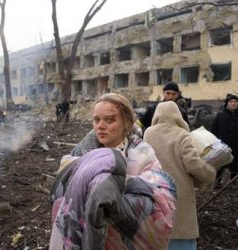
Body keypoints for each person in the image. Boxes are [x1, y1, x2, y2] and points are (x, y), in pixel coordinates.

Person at [49, 93, 177, 250]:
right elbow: (60, 192)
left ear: (126, 123)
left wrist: (115, 186)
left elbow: (160, 198)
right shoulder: (81, 153)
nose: (101, 126)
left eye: (110, 120)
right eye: (96, 120)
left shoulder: (142, 154)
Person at [143, 101, 216, 250]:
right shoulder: (182, 135)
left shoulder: (148, 133)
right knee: (180, 235)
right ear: (178, 116)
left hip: (153, 191)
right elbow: (193, 164)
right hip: (178, 195)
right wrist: (210, 172)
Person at [211, 94, 238, 187]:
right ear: (227, 104)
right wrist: (213, 141)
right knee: (220, 163)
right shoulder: (220, 115)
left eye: (235, 102)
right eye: (231, 102)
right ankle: (217, 181)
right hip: (223, 144)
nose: (233, 103)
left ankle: (233, 181)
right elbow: (214, 129)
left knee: (235, 165)